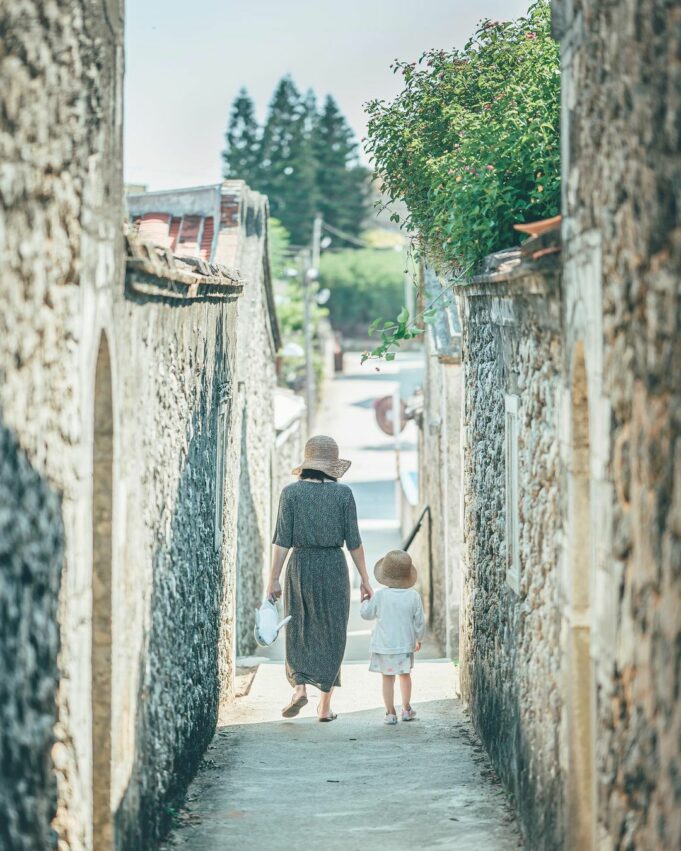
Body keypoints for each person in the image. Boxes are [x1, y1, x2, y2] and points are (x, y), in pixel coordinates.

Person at [267, 435, 373, 722]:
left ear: (307, 463)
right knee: (332, 631)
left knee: (298, 626)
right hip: (334, 566)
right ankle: (324, 707)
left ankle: (299, 688)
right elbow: (354, 542)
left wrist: (273, 579)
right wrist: (365, 579)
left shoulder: (291, 493)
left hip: (300, 565)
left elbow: (281, 541)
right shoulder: (343, 494)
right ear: (332, 466)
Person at [360, 549, 425, 725]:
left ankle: (390, 713)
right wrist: (418, 639)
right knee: (405, 675)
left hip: (384, 646)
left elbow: (366, 614)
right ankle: (406, 709)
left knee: (387, 678)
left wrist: (365, 600)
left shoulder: (380, 596)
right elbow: (420, 622)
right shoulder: (413, 596)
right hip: (405, 645)